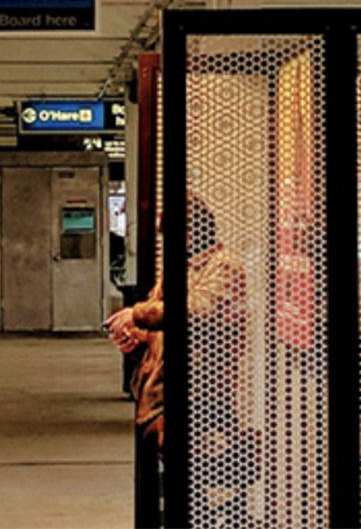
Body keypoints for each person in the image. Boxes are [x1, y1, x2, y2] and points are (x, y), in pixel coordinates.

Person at [107, 195, 250, 528]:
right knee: (165, 481)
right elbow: (163, 327)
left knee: (188, 481)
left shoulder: (223, 267)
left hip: (202, 394)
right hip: (162, 392)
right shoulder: (179, 269)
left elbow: (197, 310)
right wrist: (138, 339)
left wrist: (137, 314)